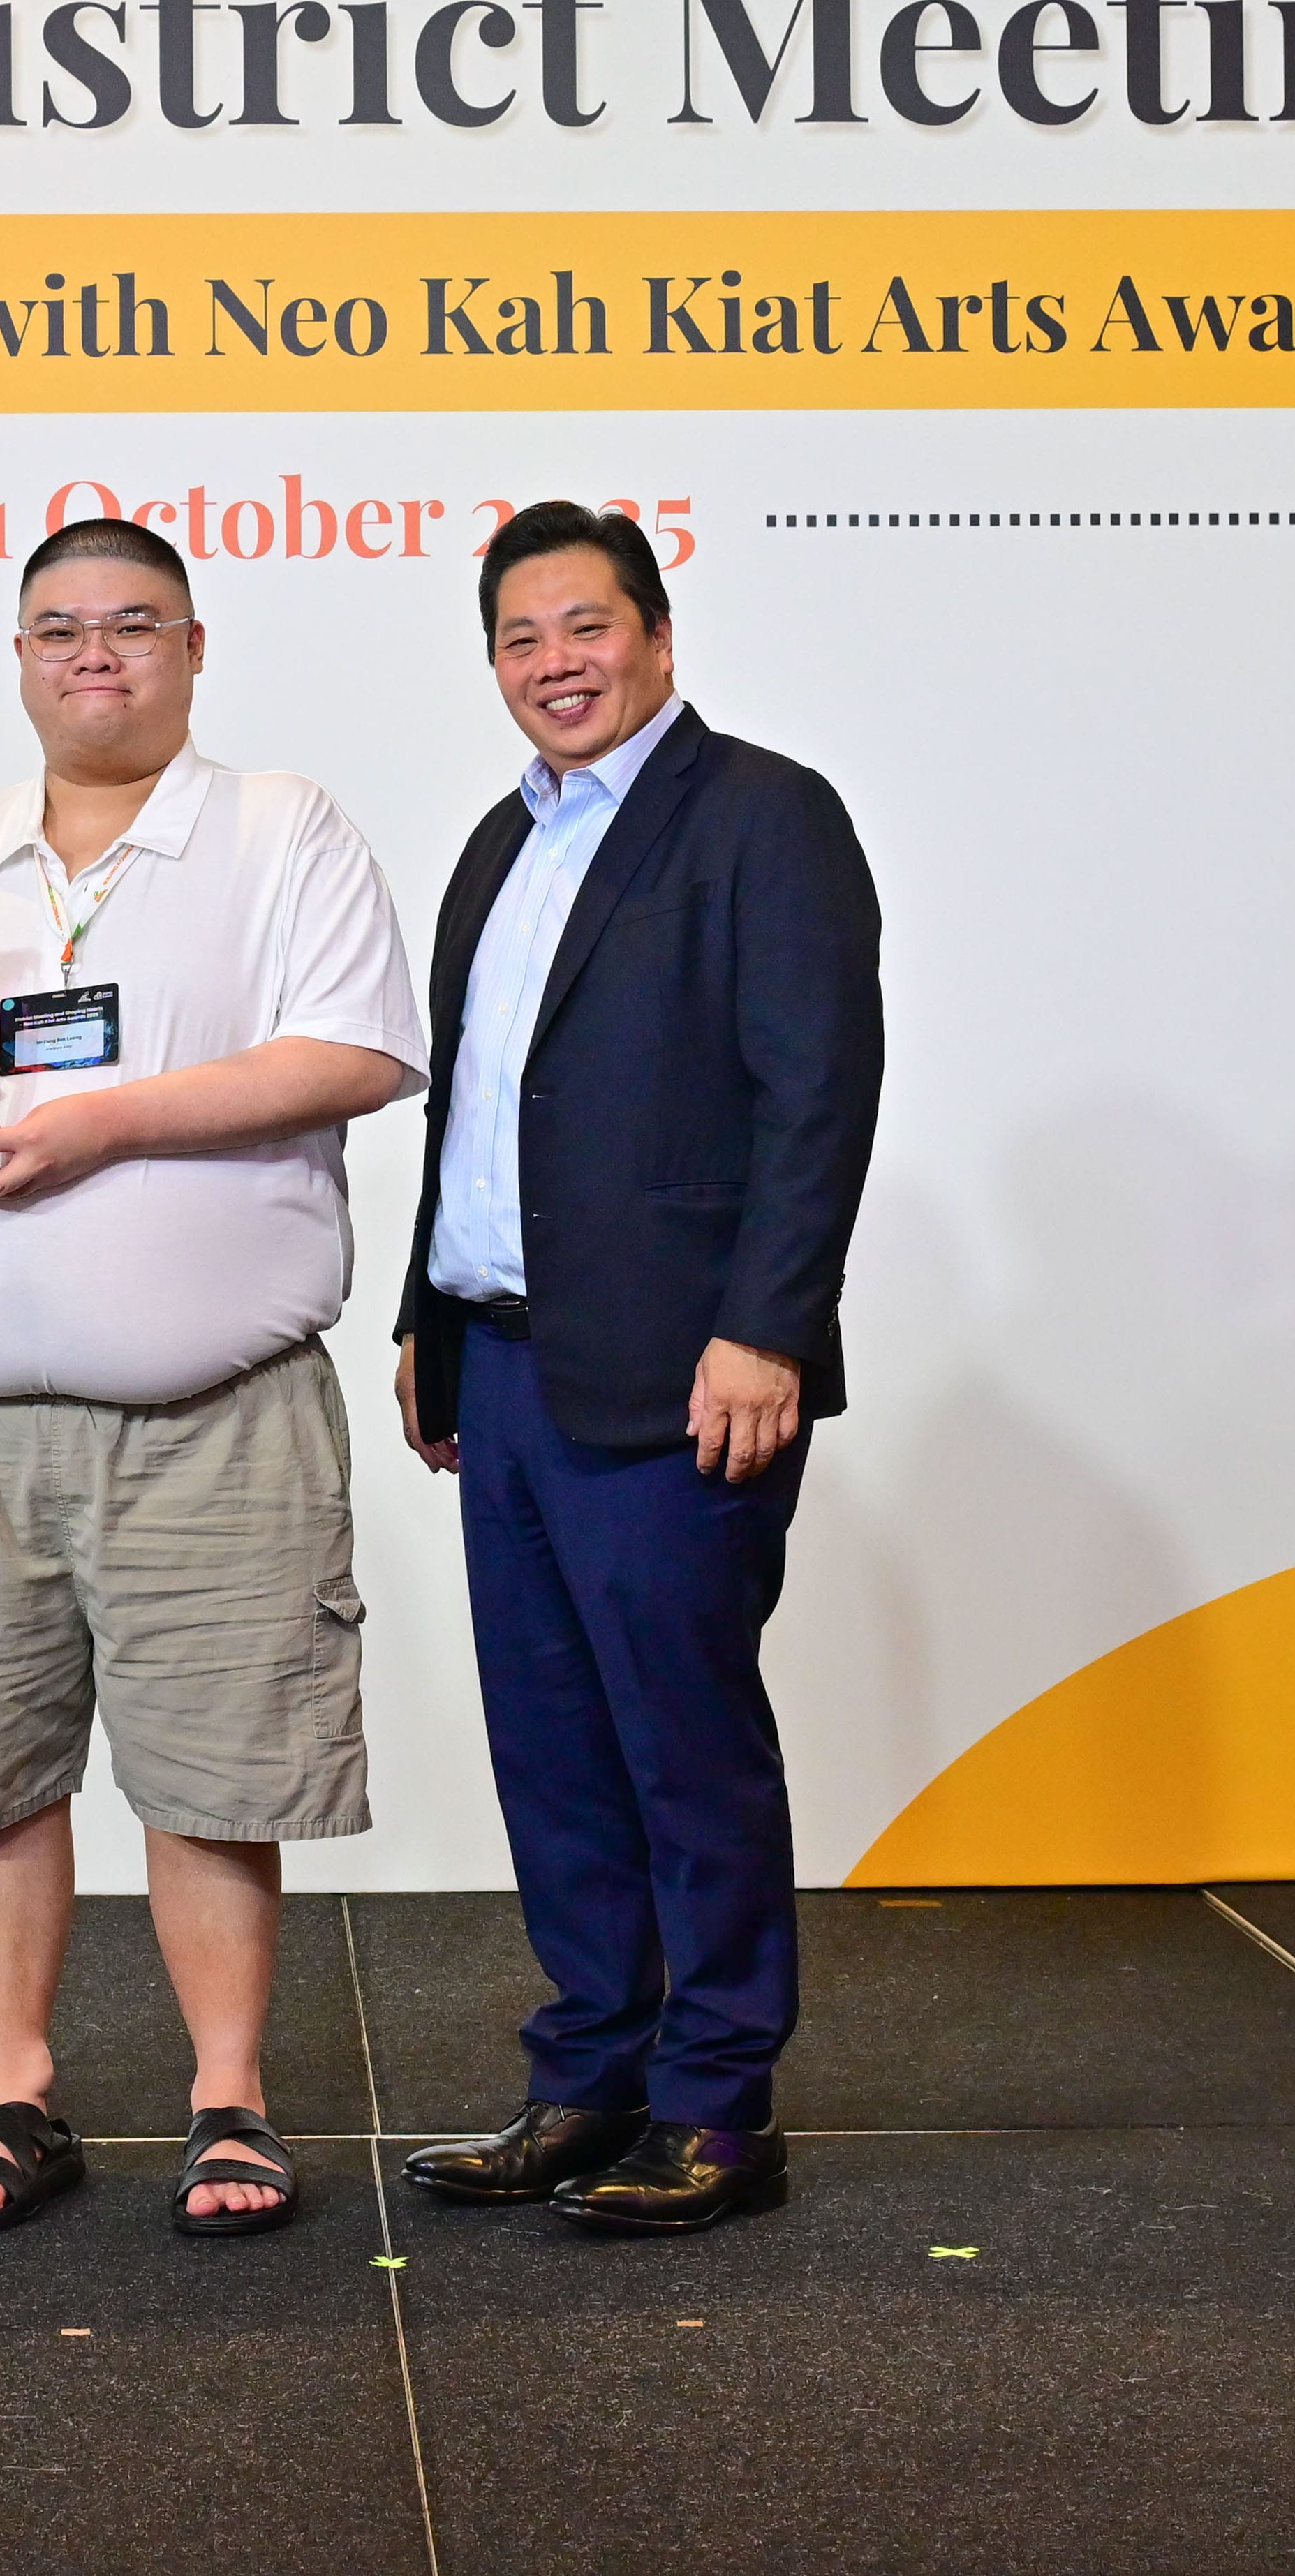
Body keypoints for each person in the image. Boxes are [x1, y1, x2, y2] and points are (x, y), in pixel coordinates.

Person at [0, 519, 423, 2238]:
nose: (95, 654)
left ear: (192, 644)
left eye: (132, 625)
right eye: (58, 627)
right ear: (16, 656)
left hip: (213, 1419)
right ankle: (12, 2092)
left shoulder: (275, 825)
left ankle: (225, 2097)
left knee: (218, 1774)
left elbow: (356, 1051)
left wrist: (91, 1123)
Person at [390, 500, 883, 2237]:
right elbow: (476, 1109)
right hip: (507, 1370)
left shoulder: (762, 816)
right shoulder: (494, 843)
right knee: (552, 1746)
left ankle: (717, 2102)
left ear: (657, 636)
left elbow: (815, 1095)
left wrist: (765, 1326)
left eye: (584, 627)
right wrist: (423, 1316)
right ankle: (586, 2074)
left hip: (684, 1371)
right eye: (518, 640)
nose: (553, 664)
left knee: (684, 1744)